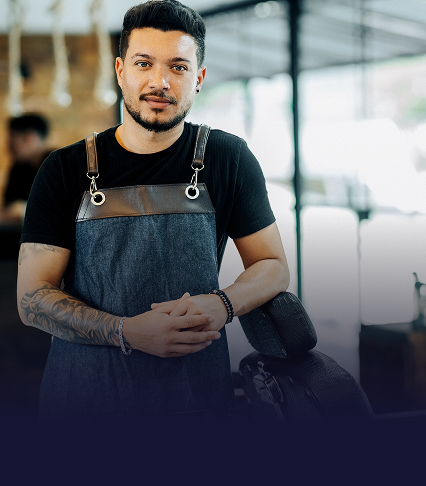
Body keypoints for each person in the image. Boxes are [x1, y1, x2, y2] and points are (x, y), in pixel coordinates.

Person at [17, 0, 290, 420]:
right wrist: (127, 332)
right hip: (83, 403)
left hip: (196, 400)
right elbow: (32, 297)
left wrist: (223, 304)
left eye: (178, 67)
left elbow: (272, 265)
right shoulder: (64, 169)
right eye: (144, 63)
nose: (159, 81)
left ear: (198, 78)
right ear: (121, 70)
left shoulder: (227, 157)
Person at [0, 114, 50, 224]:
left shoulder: (58, 165)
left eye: (12, 138)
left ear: (29, 137)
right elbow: (8, 208)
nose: (7, 146)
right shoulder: (17, 168)